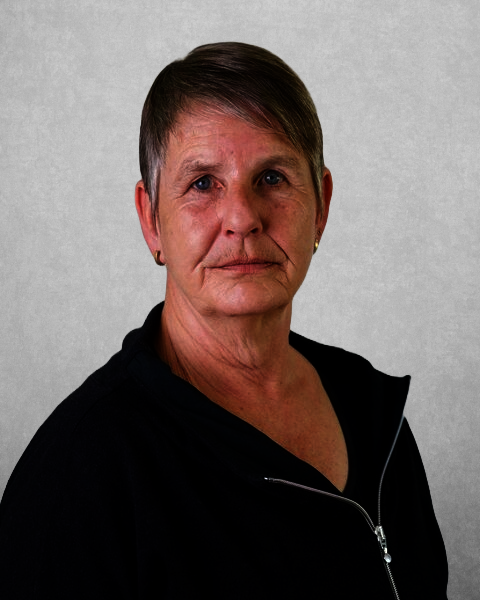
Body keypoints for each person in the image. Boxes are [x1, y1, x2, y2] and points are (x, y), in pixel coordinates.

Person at [0, 42, 448, 599]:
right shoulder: (81, 469)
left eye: (272, 178)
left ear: (322, 205)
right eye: (202, 183)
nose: (242, 217)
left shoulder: (373, 412)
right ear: (151, 219)